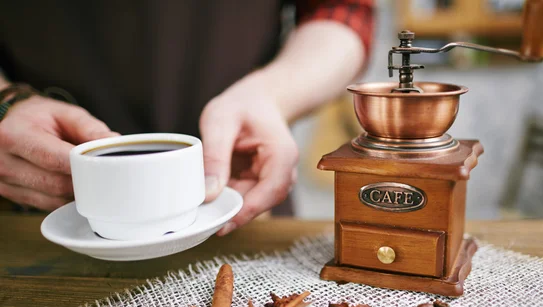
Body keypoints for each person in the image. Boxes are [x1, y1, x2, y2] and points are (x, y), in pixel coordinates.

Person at [0, 1, 373, 235]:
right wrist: (5, 104)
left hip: (240, 204)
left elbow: (343, 10)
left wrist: (271, 96)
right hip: (27, 216)